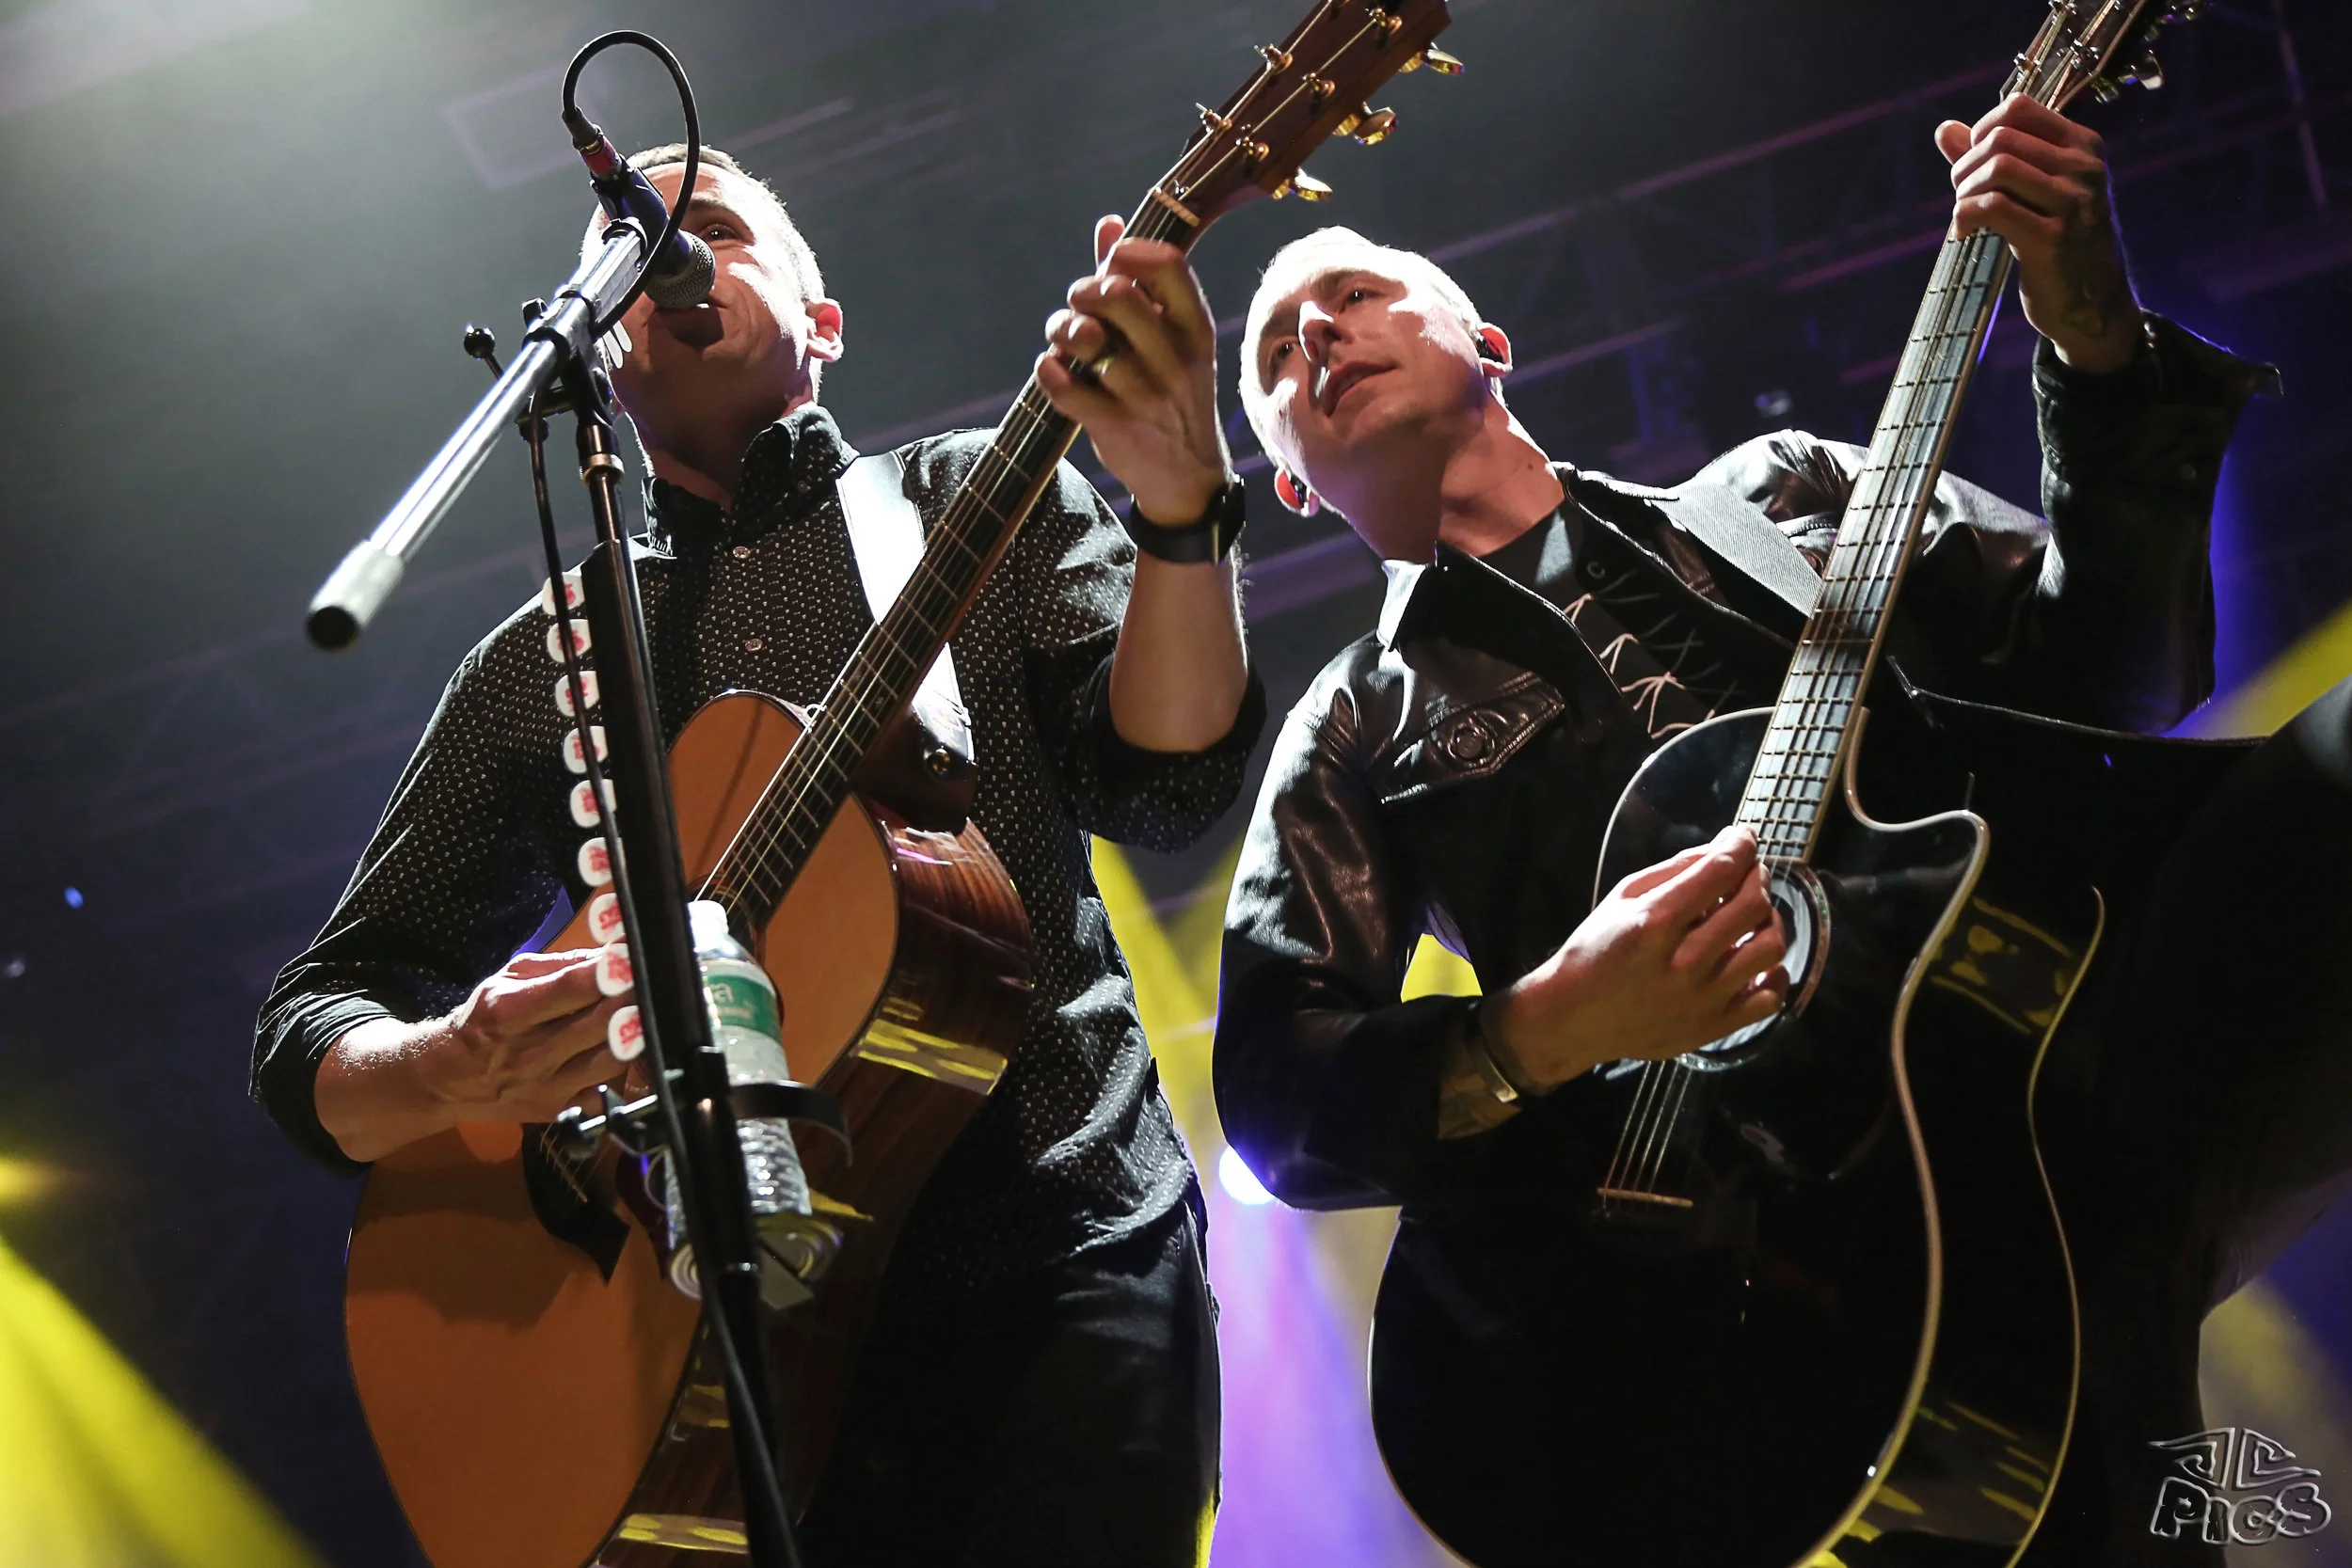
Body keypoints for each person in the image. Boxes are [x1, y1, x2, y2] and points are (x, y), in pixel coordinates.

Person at [1200, 94, 2350, 1566]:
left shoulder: (1784, 492)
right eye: (1274, 354)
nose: (1316, 331)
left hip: (2082, 1031)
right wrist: (1544, 1027)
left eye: (1356, 293)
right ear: (1292, 485)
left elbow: (2123, 675)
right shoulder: (1352, 723)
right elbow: (1279, 1092)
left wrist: (2090, 343)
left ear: (1489, 343)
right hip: (1794, 1258)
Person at [253, 145, 1263, 1566]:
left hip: (1064, 1265)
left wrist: (1181, 514)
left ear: (821, 320)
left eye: (710, 227)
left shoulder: (964, 497)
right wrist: (451, 1065)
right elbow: (314, 1026)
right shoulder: (545, 660)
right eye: (627, 246)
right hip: (734, 1375)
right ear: (599, 348)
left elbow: (1168, 782)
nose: (666, 251)